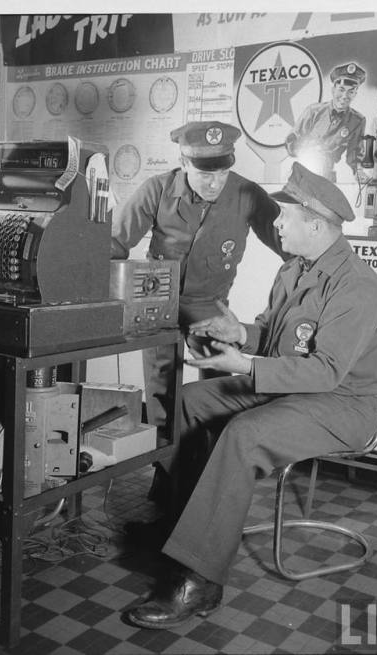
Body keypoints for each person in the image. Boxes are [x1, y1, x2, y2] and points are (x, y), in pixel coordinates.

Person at [124, 162, 377, 630]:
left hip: (343, 404)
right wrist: (239, 332)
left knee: (244, 434)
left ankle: (199, 579)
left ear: (316, 224)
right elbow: (270, 333)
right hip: (291, 388)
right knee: (190, 400)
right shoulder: (293, 270)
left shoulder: (357, 285)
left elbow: (326, 370)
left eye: (285, 216)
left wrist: (245, 365)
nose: (277, 223)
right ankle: (178, 522)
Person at [111, 121, 282, 500]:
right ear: (183, 162)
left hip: (209, 304)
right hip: (157, 299)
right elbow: (114, 242)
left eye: (221, 172)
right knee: (161, 390)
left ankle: (204, 475)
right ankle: (165, 473)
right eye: (205, 173)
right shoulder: (156, 189)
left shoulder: (247, 193)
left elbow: (289, 244)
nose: (214, 182)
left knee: (214, 390)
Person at [285, 62, 367, 182]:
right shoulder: (313, 111)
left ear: (355, 94)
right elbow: (292, 141)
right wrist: (308, 149)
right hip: (303, 173)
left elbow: (355, 153)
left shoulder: (357, 121)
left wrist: (358, 171)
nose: (345, 96)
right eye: (341, 89)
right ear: (333, 90)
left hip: (328, 177)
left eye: (351, 91)